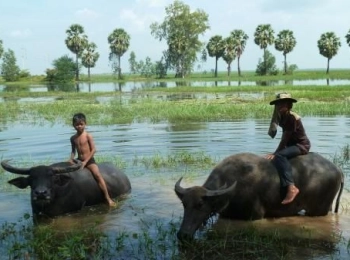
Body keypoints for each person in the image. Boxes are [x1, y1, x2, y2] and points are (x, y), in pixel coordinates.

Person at [265, 93, 311, 204]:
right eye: (278, 104)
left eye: (283, 103)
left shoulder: (291, 117)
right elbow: (285, 138)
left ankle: (291, 187)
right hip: (291, 145)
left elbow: (285, 138)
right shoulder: (282, 117)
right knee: (277, 156)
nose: (280, 106)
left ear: (289, 105)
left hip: (301, 145)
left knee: (280, 156)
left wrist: (276, 153)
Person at [69, 112, 116, 207]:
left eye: (81, 124)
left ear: (85, 124)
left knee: (98, 175)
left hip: (89, 161)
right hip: (79, 160)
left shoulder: (87, 136)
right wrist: (71, 159)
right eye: (77, 125)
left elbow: (94, 150)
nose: (79, 126)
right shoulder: (73, 138)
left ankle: (108, 198)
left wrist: (86, 162)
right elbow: (73, 151)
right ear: (73, 125)